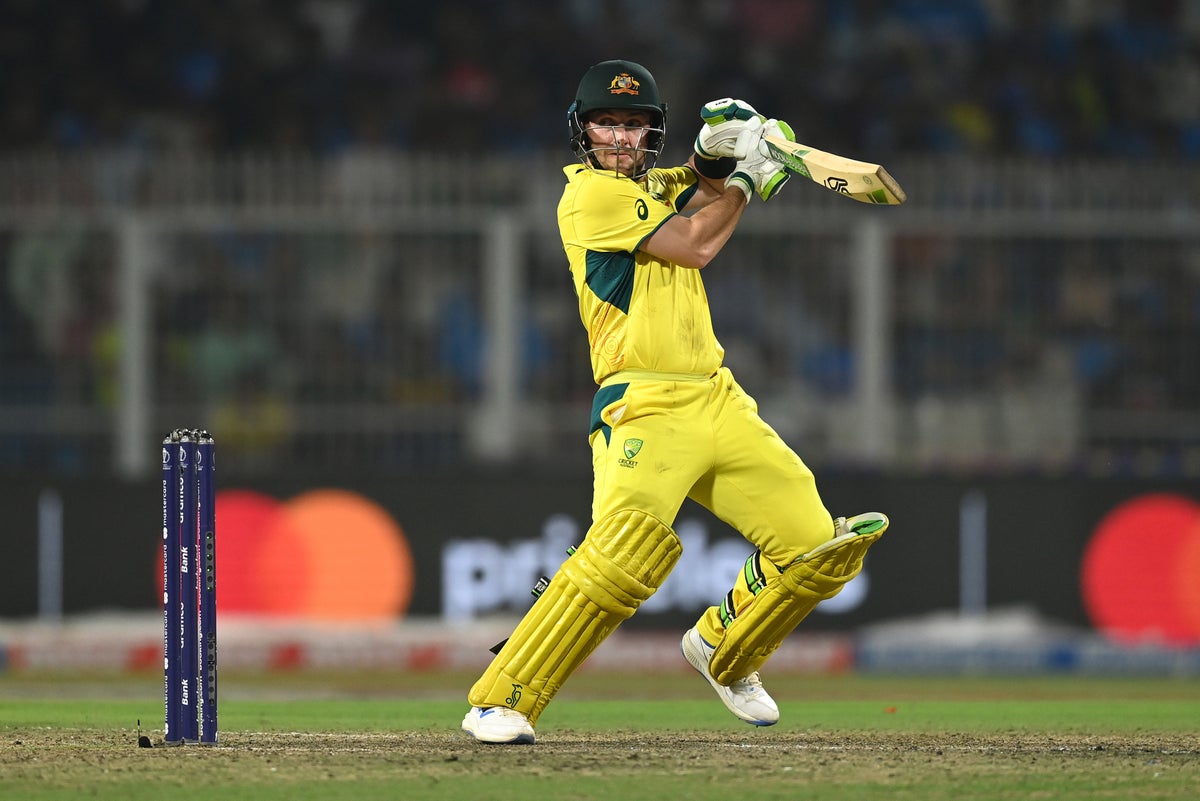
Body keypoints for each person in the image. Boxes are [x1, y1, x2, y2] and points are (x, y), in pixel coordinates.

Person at [461, 59, 888, 745]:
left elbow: (691, 185)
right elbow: (692, 243)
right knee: (621, 557)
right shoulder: (589, 197)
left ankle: (725, 650)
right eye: (609, 123)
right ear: (583, 130)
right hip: (644, 405)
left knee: (815, 546)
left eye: (635, 126)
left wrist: (718, 150)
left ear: (652, 134)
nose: (622, 140)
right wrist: (749, 176)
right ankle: (502, 697)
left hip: (717, 397)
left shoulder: (651, 184)